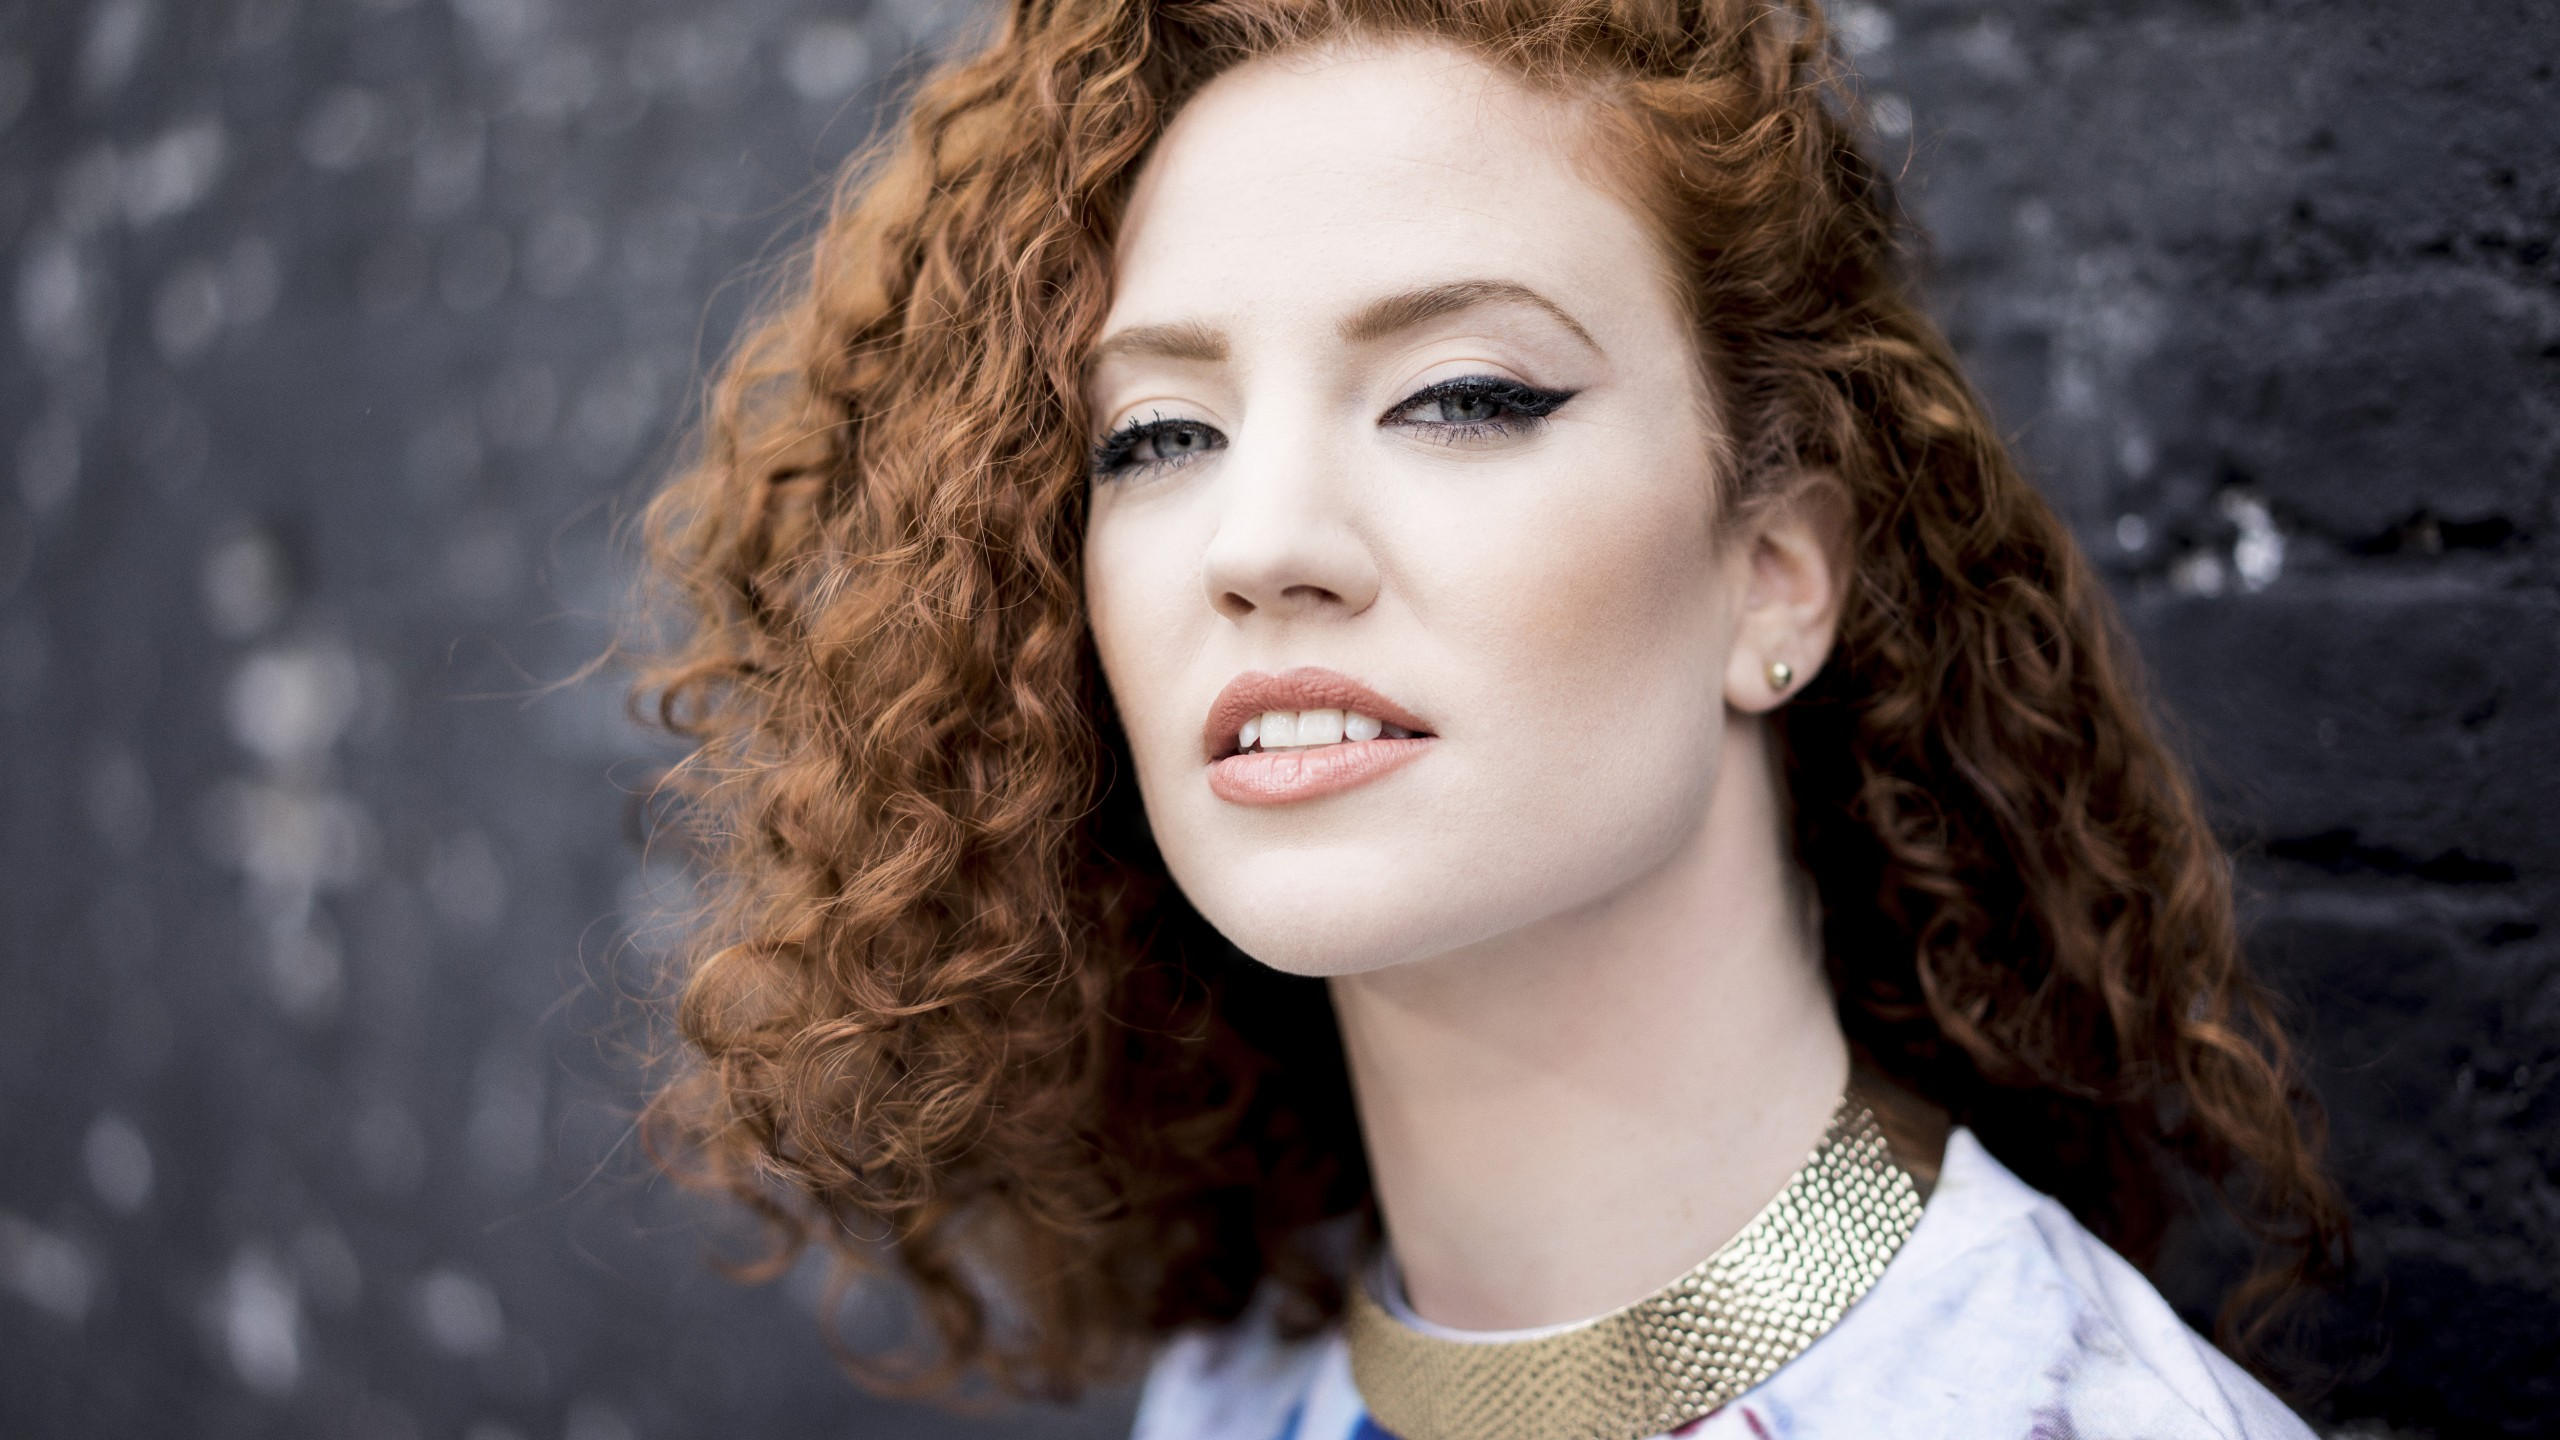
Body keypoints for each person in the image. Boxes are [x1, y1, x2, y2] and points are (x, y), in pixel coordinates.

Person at [628, 1, 2349, 1435]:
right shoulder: (1228, 1395)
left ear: (1774, 577)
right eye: (1156, 436)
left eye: (1460, 396)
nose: (1261, 544)